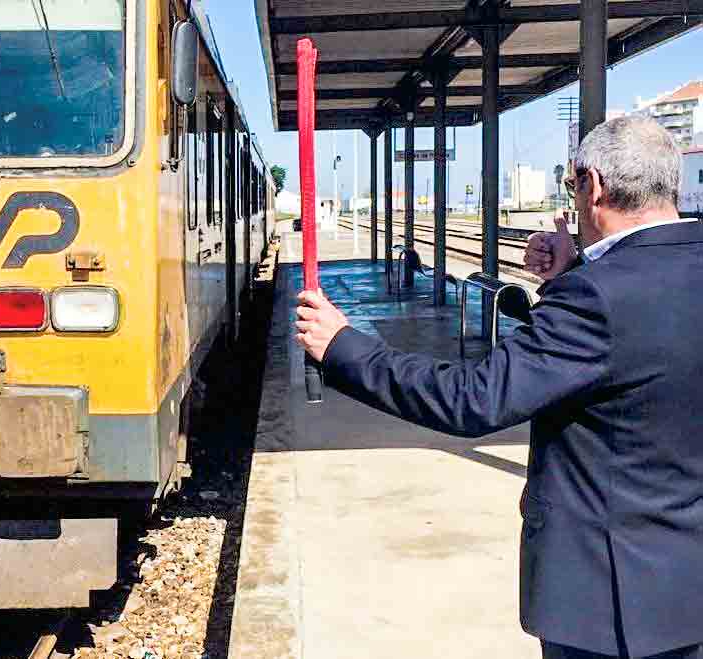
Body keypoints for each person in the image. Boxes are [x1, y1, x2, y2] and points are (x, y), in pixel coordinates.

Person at [296, 116, 703, 659]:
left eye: (572, 186)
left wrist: (343, 347)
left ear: (594, 186)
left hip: (611, 606)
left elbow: (474, 399)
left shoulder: (594, 298)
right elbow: (638, 355)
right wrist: (571, 274)